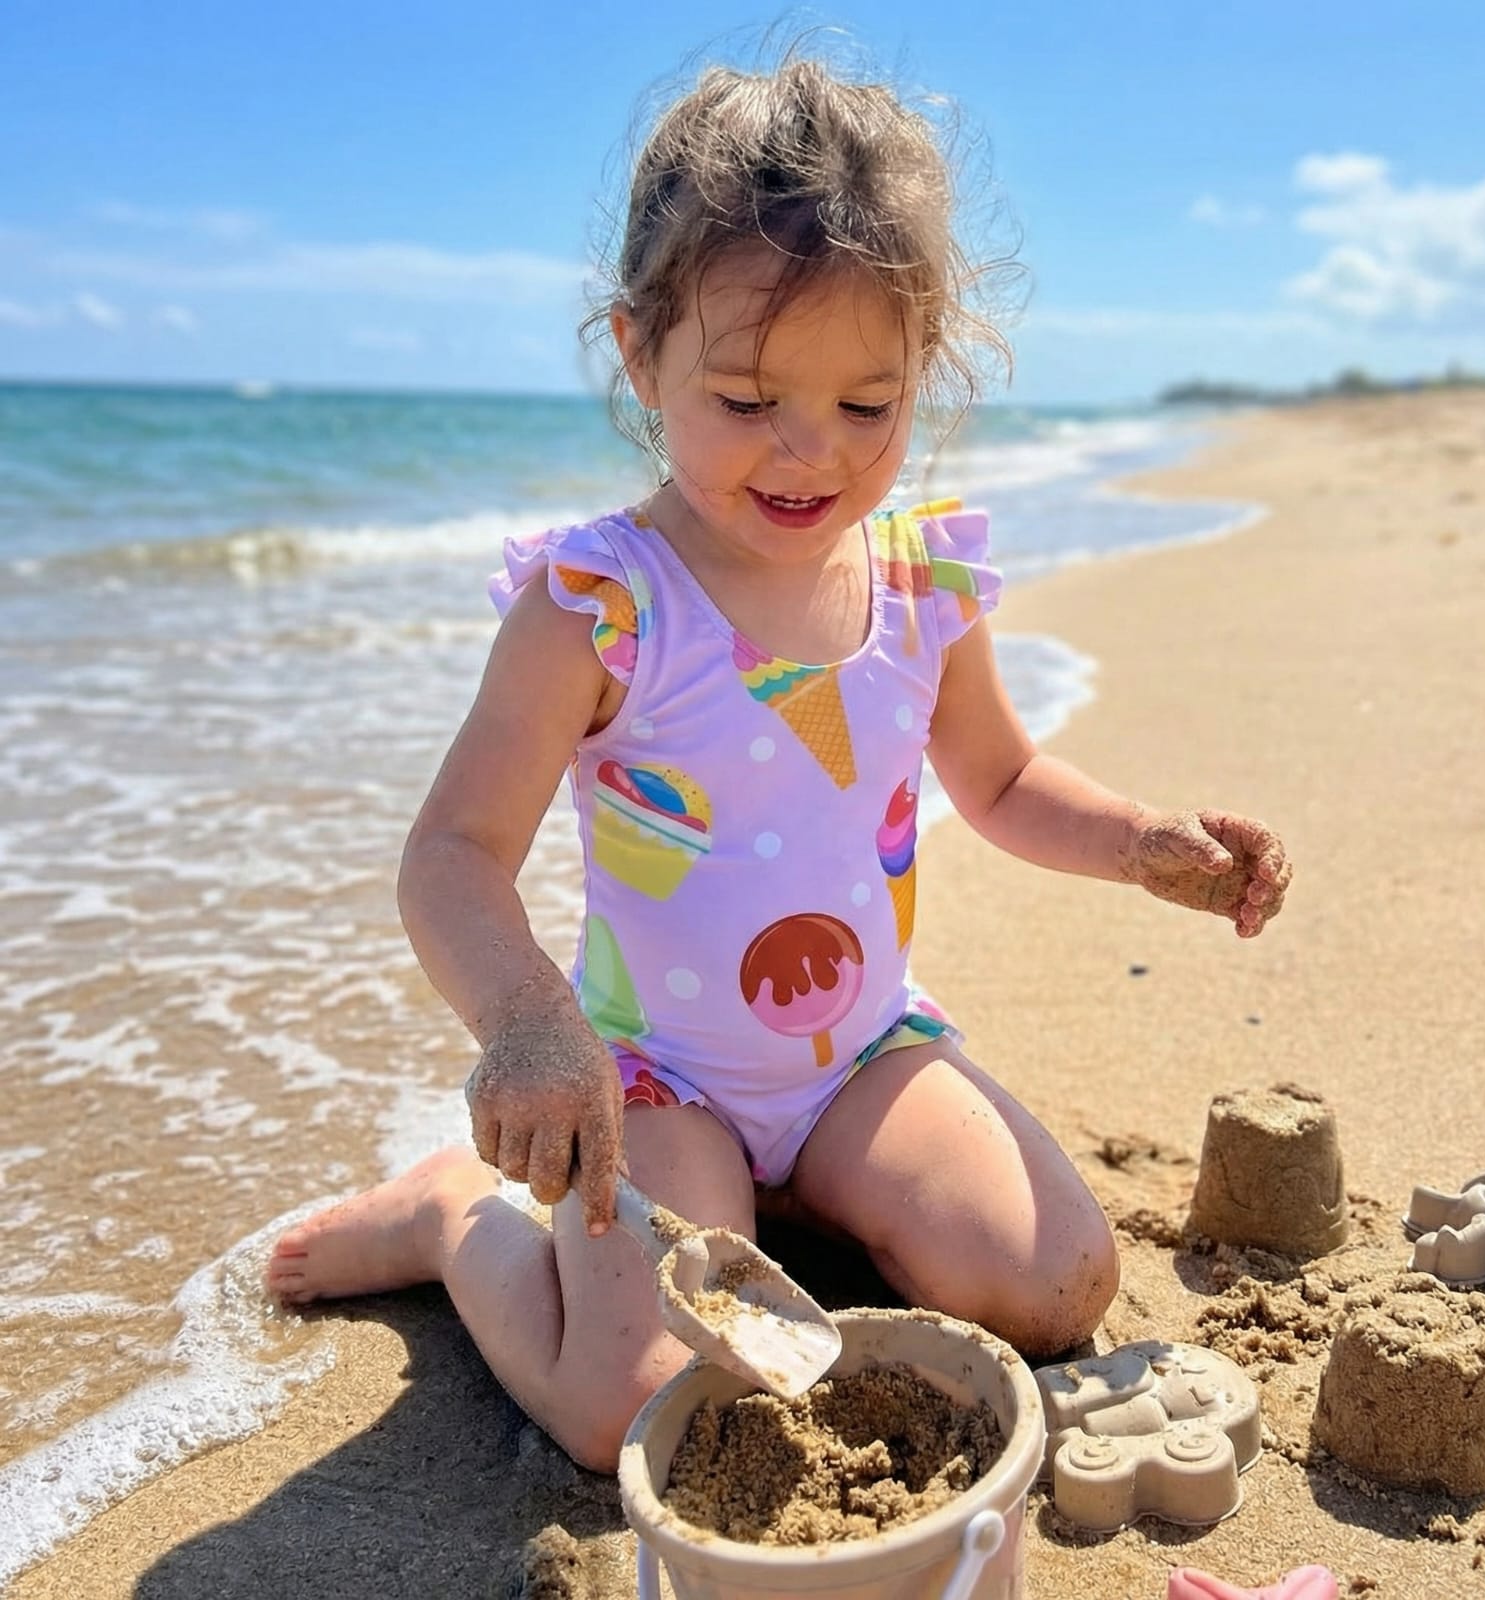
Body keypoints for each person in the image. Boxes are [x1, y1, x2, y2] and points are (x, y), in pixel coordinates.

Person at [266, 54, 1291, 1473]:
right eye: (748, 401)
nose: (810, 453)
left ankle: (805, 1191)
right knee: (631, 1408)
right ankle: (455, 1222)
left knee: (1057, 1284)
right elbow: (453, 855)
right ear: (642, 355)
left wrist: (1134, 839)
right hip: (657, 1082)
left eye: (868, 407)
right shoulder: (601, 608)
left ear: (923, 370)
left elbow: (999, 783)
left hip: (859, 1054)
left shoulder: (922, 584)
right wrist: (528, 1023)